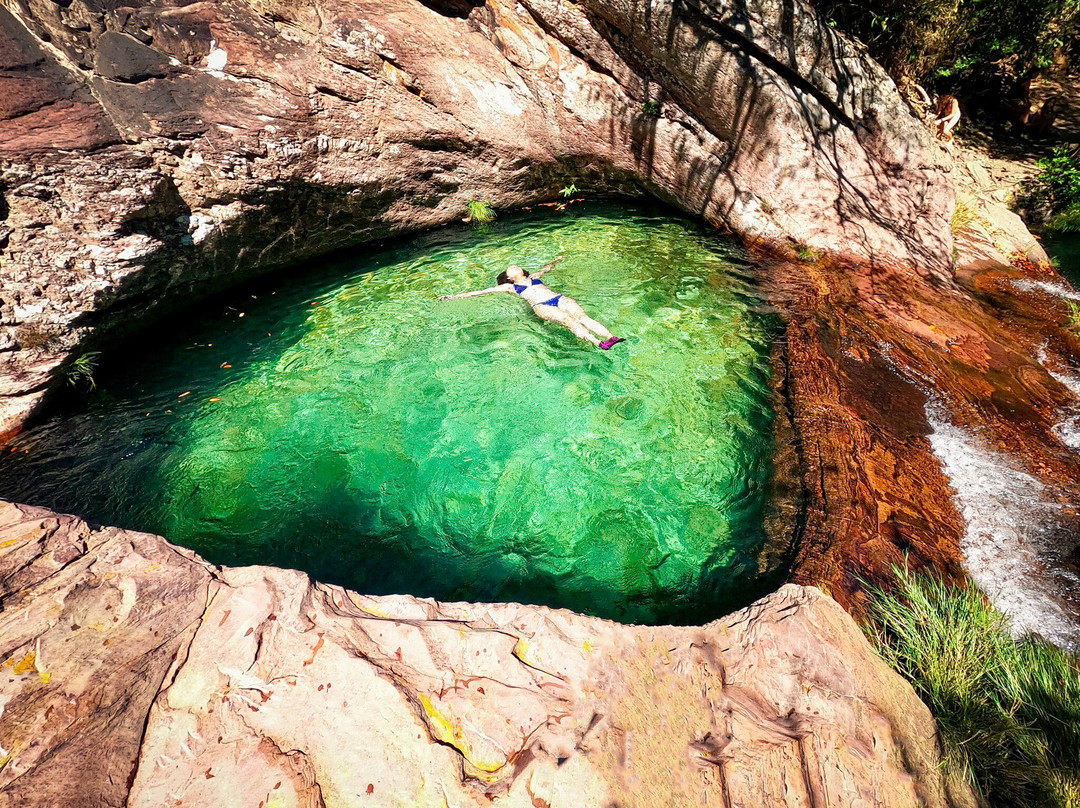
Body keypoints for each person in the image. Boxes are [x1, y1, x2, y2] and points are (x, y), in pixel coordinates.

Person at [439, 256, 626, 349]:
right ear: (509, 278)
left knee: (582, 317)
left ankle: (611, 337)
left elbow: (547, 268)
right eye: (508, 270)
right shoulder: (510, 288)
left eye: (514, 266)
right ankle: (597, 343)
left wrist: (557, 260)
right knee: (570, 321)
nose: (512, 267)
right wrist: (454, 297)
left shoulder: (535, 277)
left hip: (558, 298)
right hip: (542, 307)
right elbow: (481, 292)